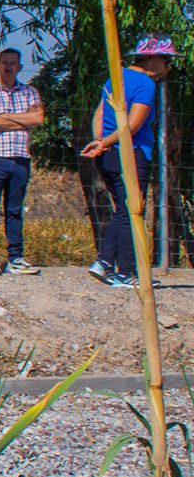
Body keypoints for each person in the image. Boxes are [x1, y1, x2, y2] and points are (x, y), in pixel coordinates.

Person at [82, 35, 175, 288]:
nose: (168, 65)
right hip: (129, 153)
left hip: (109, 154)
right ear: (149, 58)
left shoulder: (116, 76)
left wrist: (100, 140)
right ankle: (125, 272)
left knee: (124, 209)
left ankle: (104, 263)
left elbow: (100, 113)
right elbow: (132, 124)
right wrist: (107, 142)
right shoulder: (146, 84)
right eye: (165, 58)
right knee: (132, 210)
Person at [0, 48, 43, 276]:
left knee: (14, 209)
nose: (8, 67)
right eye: (4, 63)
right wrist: (22, 120)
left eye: (12, 63)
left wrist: (5, 117)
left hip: (20, 157)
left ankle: (15, 257)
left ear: (19, 67)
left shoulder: (30, 92)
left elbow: (38, 118)